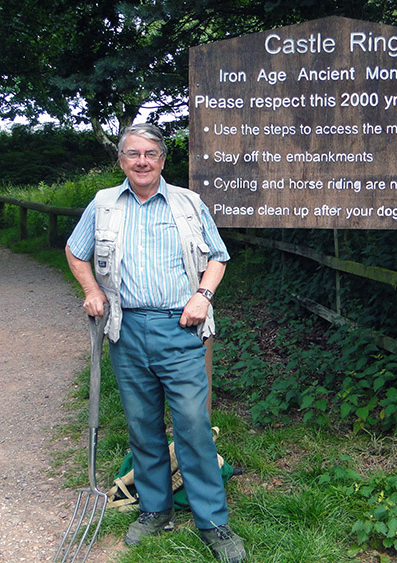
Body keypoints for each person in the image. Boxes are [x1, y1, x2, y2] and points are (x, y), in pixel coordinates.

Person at [65, 123, 245, 563]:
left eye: (150, 153)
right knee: (142, 425)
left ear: (163, 160)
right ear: (121, 161)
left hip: (179, 328)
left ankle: (213, 521)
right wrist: (91, 290)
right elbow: (75, 250)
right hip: (125, 329)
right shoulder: (104, 204)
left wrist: (203, 296)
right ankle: (154, 509)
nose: (141, 161)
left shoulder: (188, 203)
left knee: (192, 423)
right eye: (132, 154)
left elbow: (218, 256)